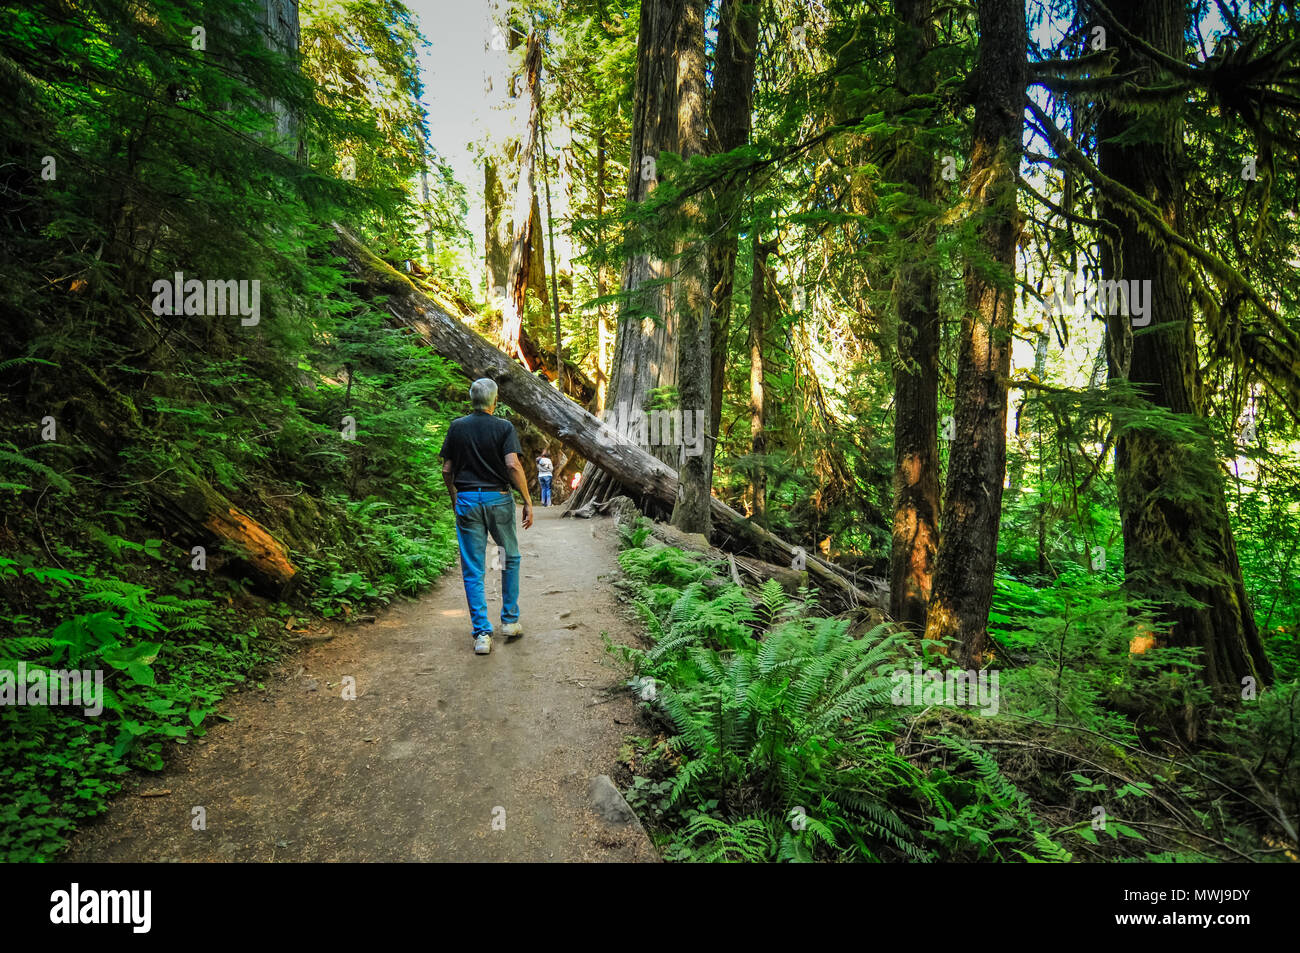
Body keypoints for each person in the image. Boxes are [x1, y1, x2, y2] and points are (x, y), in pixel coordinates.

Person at [439, 378, 533, 655]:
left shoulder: (457, 427)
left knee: (473, 567)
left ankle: (482, 634)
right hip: (499, 499)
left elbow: (447, 469)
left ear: (472, 400)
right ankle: (509, 621)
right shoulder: (504, 427)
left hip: (468, 499)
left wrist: (455, 497)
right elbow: (513, 465)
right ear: (495, 400)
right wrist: (527, 500)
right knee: (509, 557)